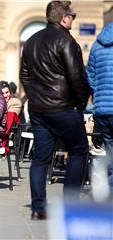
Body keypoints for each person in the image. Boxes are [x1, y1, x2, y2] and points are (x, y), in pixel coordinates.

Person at [20, 1, 90, 220]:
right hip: (63, 107)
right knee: (79, 151)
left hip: (39, 110)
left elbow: (24, 76)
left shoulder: (31, 41)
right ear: (64, 18)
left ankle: (38, 208)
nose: (73, 20)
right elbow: (76, 77)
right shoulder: (67, 41)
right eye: (72, 17)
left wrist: (35, 98)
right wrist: (81, 102)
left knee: (41, 158)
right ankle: (70, 206)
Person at [86, 22, 113, 196]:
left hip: (102, 109)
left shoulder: (96, 46)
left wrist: (99, 94)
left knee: (110, 151)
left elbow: (90, 76)